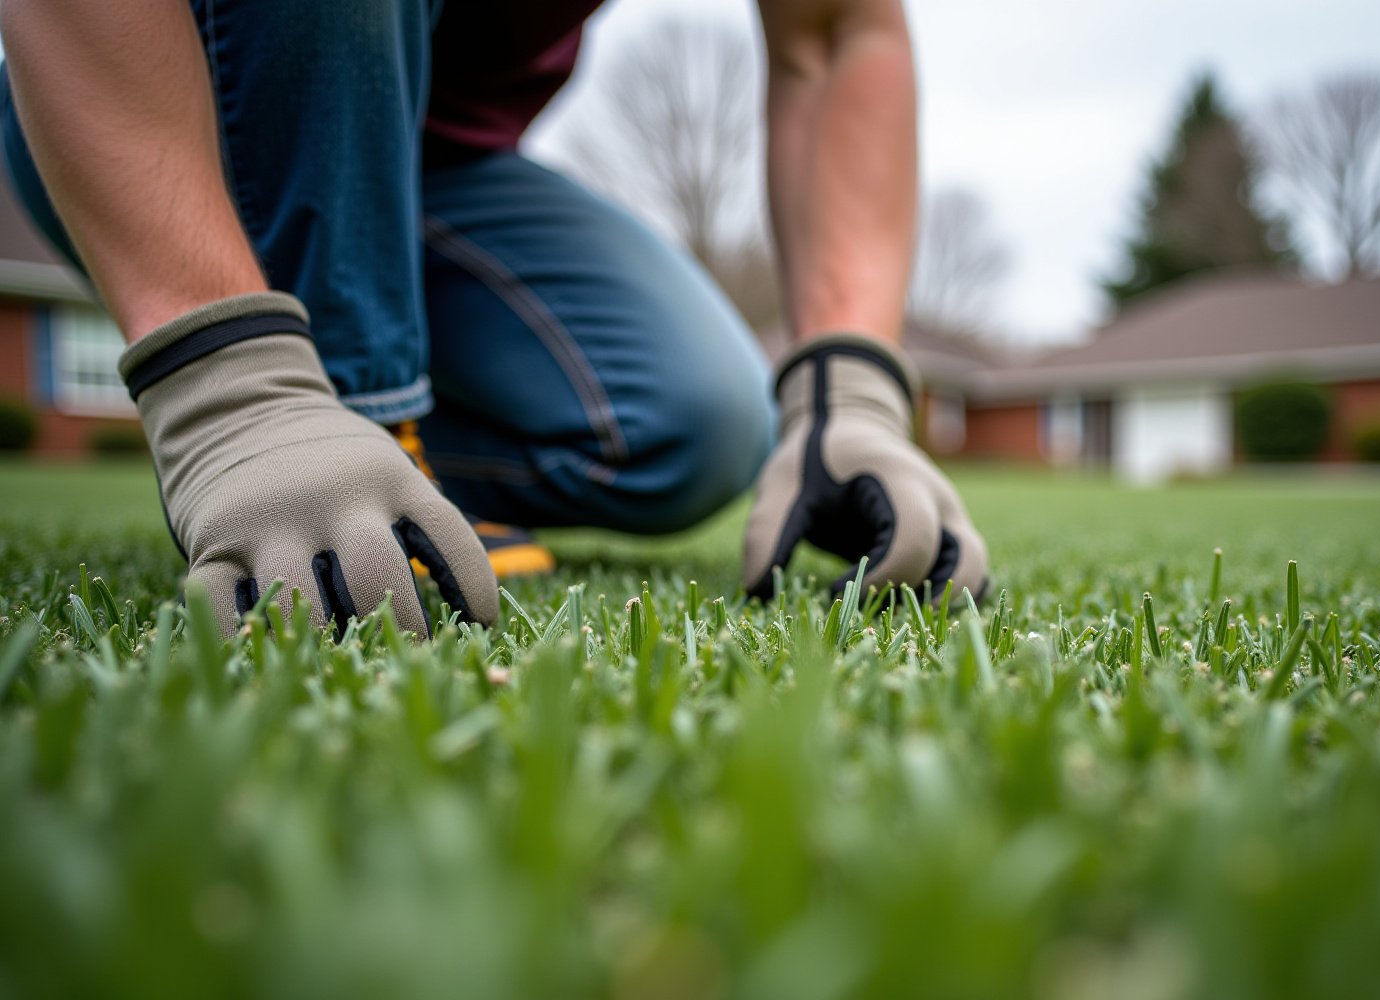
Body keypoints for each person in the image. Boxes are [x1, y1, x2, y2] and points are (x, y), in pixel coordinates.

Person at [0, 0, 988, 638]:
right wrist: (230, 392)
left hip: (440, 163)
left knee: (699, 421)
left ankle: (382, 447)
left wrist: (848, 393)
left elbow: (835, 32)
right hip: (156, 99)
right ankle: (343, 422)